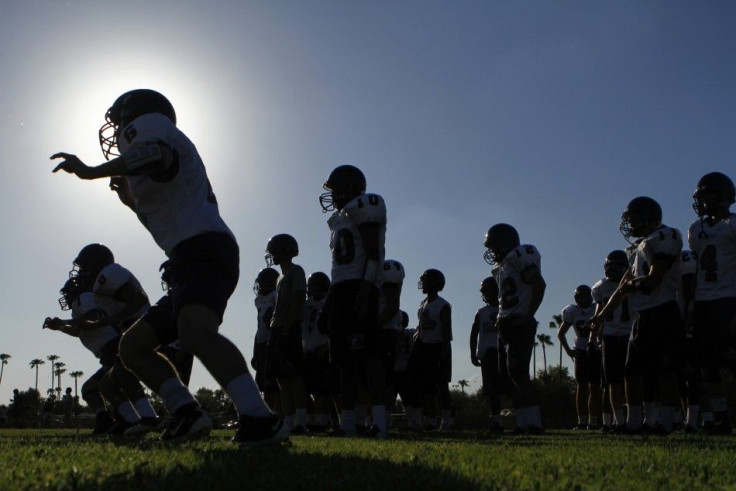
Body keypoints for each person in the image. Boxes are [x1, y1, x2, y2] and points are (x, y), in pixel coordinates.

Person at [52, 89, 286, 444]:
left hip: (203, 249)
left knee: (196, 332)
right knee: (132, 348)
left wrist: (90, 171)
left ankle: (260, 418)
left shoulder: (151, 131)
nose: (116, 132)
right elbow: (162, 221)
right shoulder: (152, 161)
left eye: (119, 122)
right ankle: (185, 412)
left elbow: (154, 154)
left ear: (134, 118)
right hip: (187, 257)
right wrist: (131, 203)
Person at [589, 197, 684, 434]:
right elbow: (623, 287)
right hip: (642, 315)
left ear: (648, 217)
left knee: (664, 370)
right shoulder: (637, 247)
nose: (630, 224)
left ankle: (664, 422)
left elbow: (654, 279)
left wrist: (632, 287)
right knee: (632, 371)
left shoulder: (666, 236)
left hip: (663, 309)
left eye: (633, 219)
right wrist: (600, 317)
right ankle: (634, 422)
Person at [318, 164, 387, 438]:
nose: (332, 196)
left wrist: (365, 290)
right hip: (341, 289)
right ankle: (347, 425)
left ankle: (380, 424)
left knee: (368, 357)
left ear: (347, 188)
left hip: (360, 286)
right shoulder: (342, 218)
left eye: (335, 190)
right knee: (344, 362)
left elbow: (373, 254)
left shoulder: (365, 205)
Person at [483, 223, 545, 434]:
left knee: (519, 373)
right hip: (507, 322)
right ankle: (522, 423)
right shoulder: (504, 265)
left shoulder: (519, 255)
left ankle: (534, 423)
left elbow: (539, 284)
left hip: (519, 321)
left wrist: (528, 315)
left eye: (493, 246)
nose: (491, 252)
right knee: (511, 376)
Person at [686, 172, 736, 434]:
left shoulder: (732, 225)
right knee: (707, 364)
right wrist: (692, 305)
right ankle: (721, 417)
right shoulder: (696, 229)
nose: (703, 201)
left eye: (707, 195)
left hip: (728, 299)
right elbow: (695, 269)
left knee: (730, 360)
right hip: (704, 301)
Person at [265, 234, 308, 434]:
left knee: (295, 376)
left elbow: (299, 298)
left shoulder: (296, 271)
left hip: (288, 327)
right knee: (282, 378)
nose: (271, 255)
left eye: (274, 250)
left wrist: (290, 325)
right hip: (277, 328)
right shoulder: (280, 277)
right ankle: (289, 422)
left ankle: (300, 422)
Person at [591, 250, 634, 432]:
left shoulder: (633, 281)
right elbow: (599, 311)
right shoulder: (600, 287)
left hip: (630, 333)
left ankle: (635, 418)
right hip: (610, 335)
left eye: (616, 266)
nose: (612, 270)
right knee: (612, 381)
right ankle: (619, 421)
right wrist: (594, 337)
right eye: (610, 266)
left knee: (632, 378)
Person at [408, 269, 453, 431]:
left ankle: (446, 421)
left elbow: (446, 332)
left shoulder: (443, 305)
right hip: (422, 346)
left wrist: (444, 352)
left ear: (434, 283)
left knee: (441, 386)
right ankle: (424, 420)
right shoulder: (422, 304)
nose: (423, 283)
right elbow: (421, 327)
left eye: (426, 280)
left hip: (437, 346)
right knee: (420, 385)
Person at [557, 285, 601, 430]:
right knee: (581, 387)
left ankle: (593, 422)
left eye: (582, 296)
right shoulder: (572, 311)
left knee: (594, 387)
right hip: (581, 351)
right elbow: (561, 333)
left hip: (595, 349)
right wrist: (569, 351)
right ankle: (582, 421)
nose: (580, 299)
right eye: (578, 296)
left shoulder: (597, 307)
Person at [469, 276, 506, 434]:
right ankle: (496, 420)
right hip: (487, 353)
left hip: (502, 352)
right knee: (491, 390)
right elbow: (474, 334)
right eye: (484, 291)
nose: (486, 294)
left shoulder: (504, 308)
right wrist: (473, 353)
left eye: (488, 291)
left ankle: (524, 418)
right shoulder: (481, 312)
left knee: (506, 387)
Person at [301, 271, 336, 432]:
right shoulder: (306, 305)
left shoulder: (329, 304)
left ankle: (322, 422)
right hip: (307, 350)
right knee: (305, 389)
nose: (310, 289)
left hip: (323, 350)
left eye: (313, 286)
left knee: (323, 390)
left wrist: (328, 346)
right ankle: (312, 421)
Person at [376, 259, 405, 430]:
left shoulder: (387, 267)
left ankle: (383, 419)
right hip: (383, 329)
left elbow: (392, 306)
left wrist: (374, 326)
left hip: (385, 330)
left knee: (383, 377)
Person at [252, 267, 281, 411]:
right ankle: (269, 413)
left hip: (274, 341)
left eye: (263, 282)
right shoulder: (259, 299)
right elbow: (259, 327)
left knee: (274, 383)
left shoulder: (276, 295)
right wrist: (255, 350)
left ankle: (278, 414)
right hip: (262, 341)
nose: (260, 285)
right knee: (264, 383)